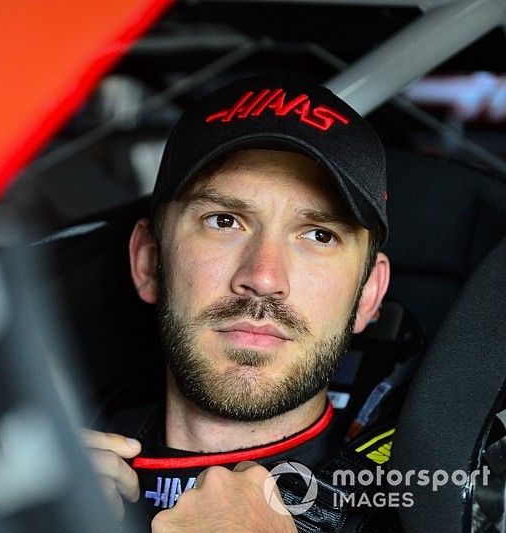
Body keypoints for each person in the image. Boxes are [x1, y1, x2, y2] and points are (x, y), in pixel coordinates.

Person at [84, 72, 392, 531]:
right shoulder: (43, 459)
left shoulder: (424, 507)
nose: (264, 277)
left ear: (369, 293)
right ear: (148, 261)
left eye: (319, 235)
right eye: (224, 221)